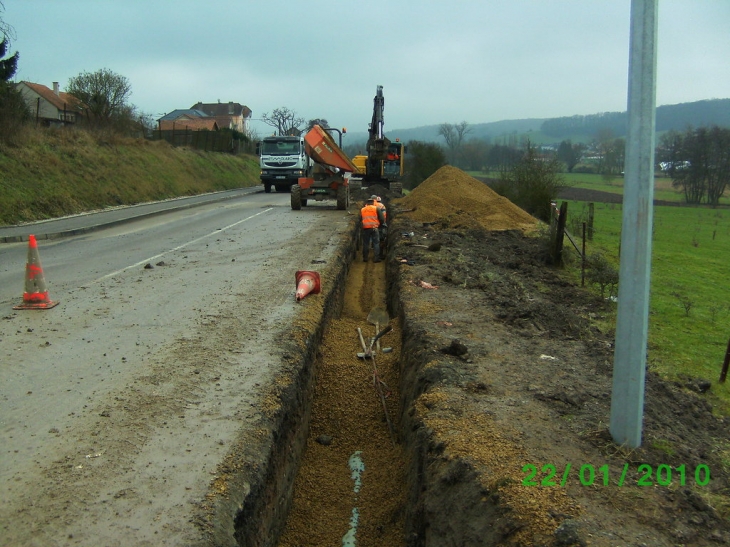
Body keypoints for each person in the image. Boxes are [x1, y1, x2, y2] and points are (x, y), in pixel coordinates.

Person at [360, 196, 386, 263]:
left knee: (366, 243)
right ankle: (376, 258)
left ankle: (365, 258)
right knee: (376, 243)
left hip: (366, 228)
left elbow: (360, 219)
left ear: (367, 203)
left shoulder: (363, 209)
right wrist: (380, 225)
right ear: (373, 202)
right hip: (374, 228)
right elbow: (382, 219)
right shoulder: (376, 208)